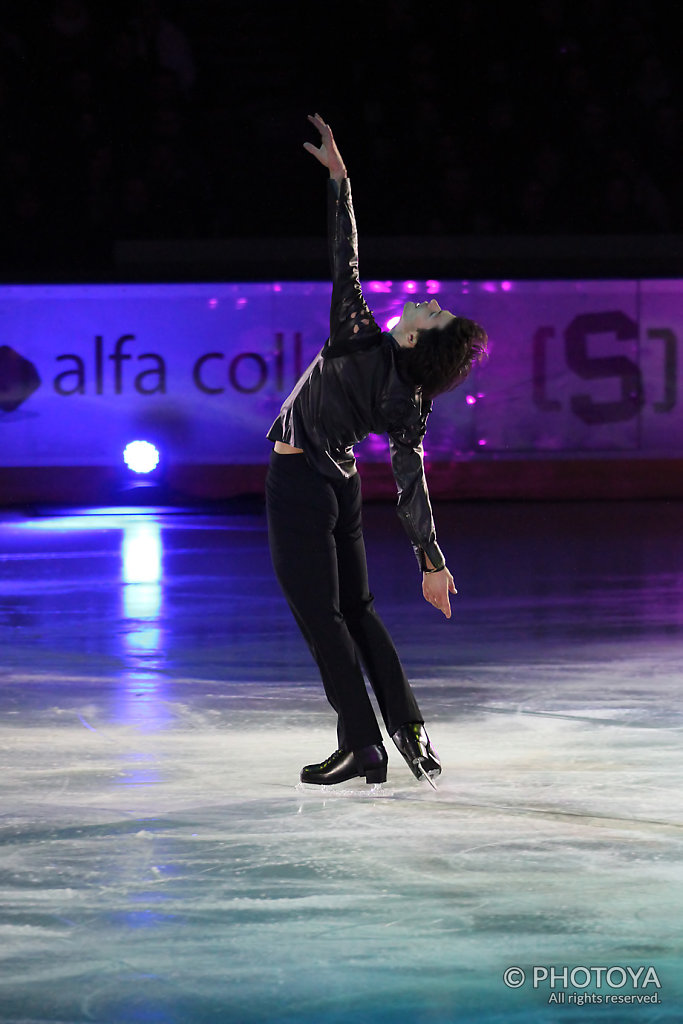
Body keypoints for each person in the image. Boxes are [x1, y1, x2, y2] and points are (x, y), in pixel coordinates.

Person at [266, 114, 487, 788]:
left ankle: (362, 744)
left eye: (430, 315)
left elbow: (345, 256)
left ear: (416, 340)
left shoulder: (359, 334)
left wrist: (340, 183)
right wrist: (430, 561)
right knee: (357, 612)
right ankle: (411, 732)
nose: (423, 305)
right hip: (342, 489)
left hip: (301, 480)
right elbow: (409, 481)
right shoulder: (411, 404)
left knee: (321, 618)